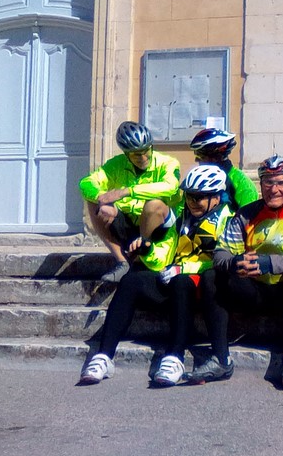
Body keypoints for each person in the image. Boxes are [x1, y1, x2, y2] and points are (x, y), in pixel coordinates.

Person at [78, 165, 234, 386]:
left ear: (216, 198)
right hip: (173, 276)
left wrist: (184, 269)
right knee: (131, 280)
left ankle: (175, 357)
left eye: (199, 197)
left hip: (202, 286)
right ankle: (104, 356)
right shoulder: (183, 217)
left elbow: (223, 260)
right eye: (189, 196)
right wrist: (147, 250)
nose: (192, 202)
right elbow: (165, 253)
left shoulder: (229, 220)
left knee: (181, 282)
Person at [211, 155, 283, 389]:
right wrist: (235, 262)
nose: (274, 189)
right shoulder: (245, 214)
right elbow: (220, 254)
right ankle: (221, 358)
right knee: (211, 277)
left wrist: (271, 263)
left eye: (282, 183)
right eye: (268, 182)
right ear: (261, 184)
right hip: (254, 289)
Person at [79, 121, 181, 282]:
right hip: (129, 223)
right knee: (95, 203)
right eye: (136, 155)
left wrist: (126, 192)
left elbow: (171, 186)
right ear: (126, 154)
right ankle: (122, 262)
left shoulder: (168, 163)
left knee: (153, 205)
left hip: (160, 228)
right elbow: (86, 182)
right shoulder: (116, 164)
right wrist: (100, 196)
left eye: (146, 151)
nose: (143, 158)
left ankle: (140, 261)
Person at [189, 128, 257, 212]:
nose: (196, 160)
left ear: (216, 157)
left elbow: (249, 216)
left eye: (201, 157)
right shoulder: (197, 180)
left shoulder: (241, 184)